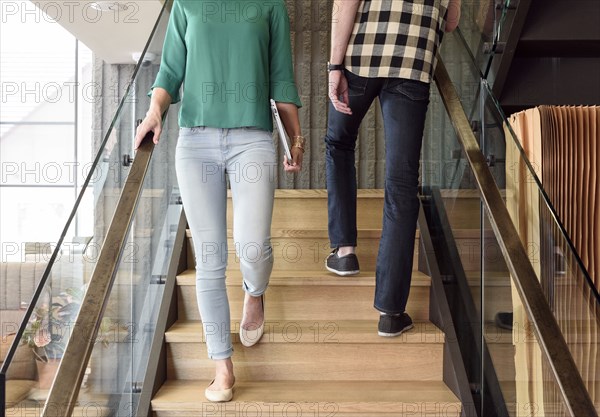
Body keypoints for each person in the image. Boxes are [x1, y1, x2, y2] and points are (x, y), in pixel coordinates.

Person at [134, 0, 304, 402]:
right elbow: (171, 71)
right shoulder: (186, 4)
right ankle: (222, 367)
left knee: (251, 245)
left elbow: (281, 78)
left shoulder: (270, 6)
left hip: (253, 139)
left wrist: (295, 138)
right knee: (209, 257)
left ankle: (254, 290)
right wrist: (155, 111)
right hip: (196, 142)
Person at [324, 0, 460, 336]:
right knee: (401, 181)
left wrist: (334, 66)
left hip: (362, 56)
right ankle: (390, 311)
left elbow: (345, 2)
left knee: (339, 143)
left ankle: (344, 251)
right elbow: (452, 21)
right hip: (413, 62)